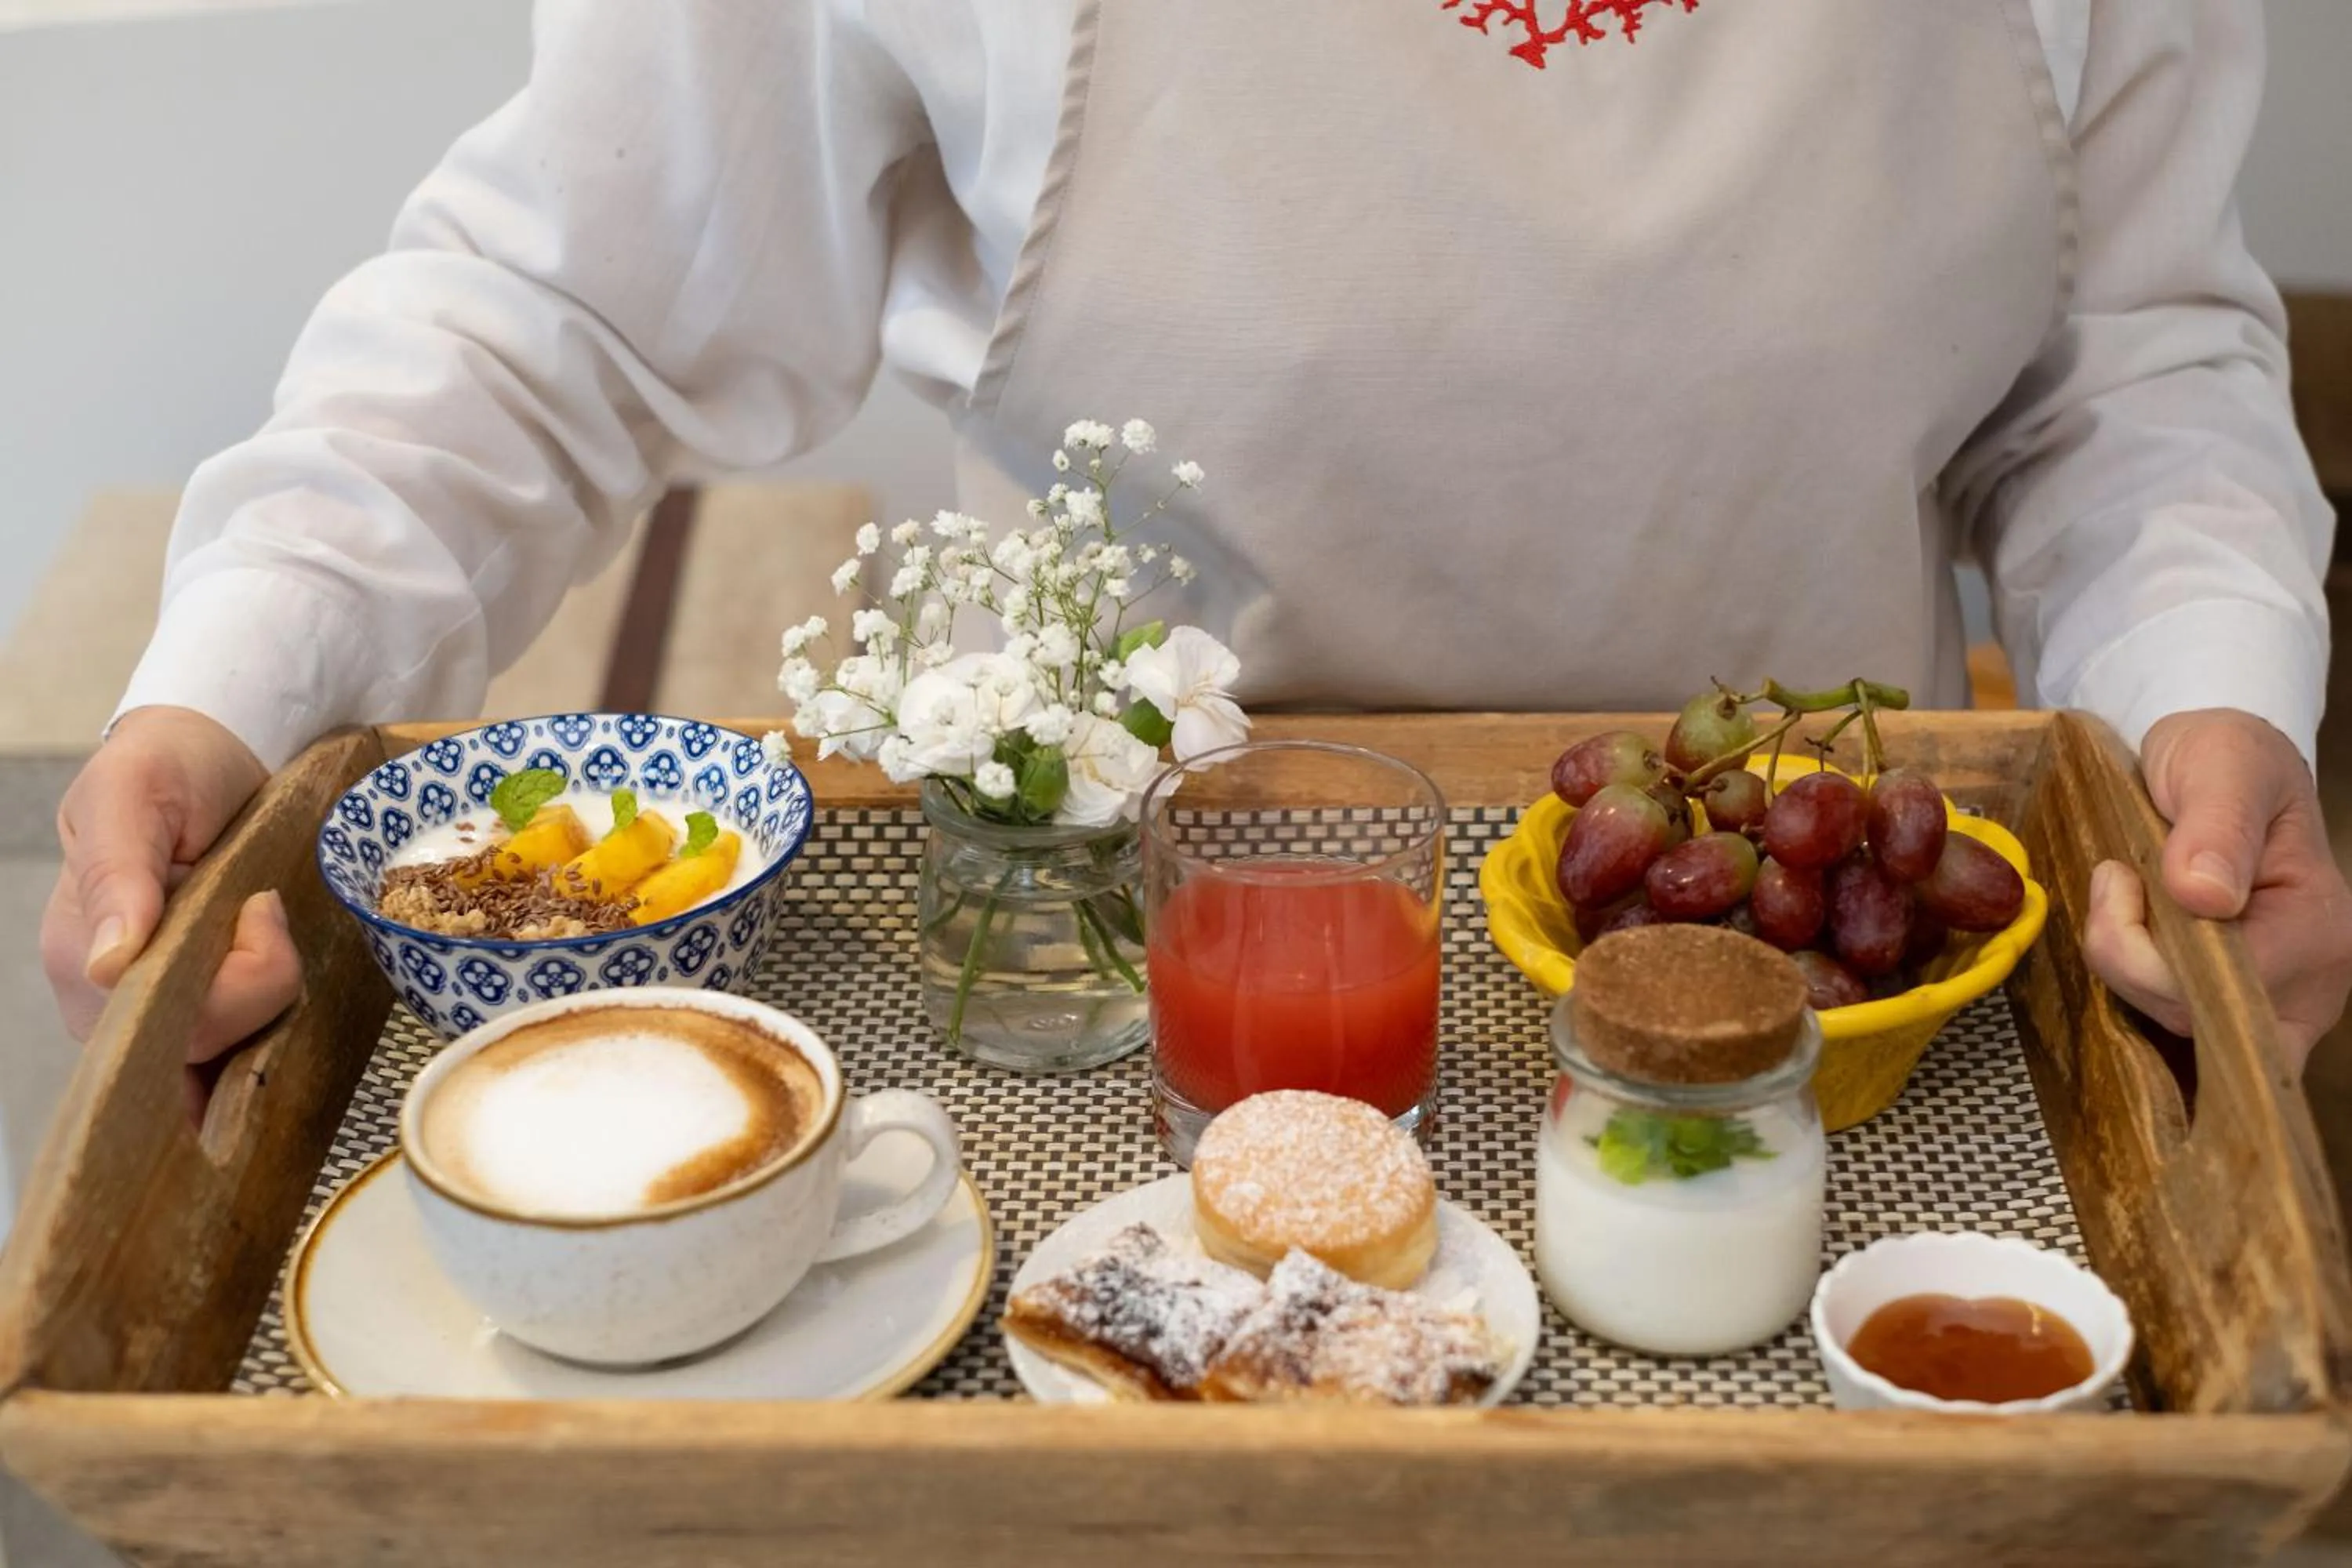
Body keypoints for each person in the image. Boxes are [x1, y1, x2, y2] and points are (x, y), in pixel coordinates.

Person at [41, 2, 2352, 1083]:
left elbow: (2122, 364)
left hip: (1810, 999)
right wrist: (240, 665)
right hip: (1089, 989)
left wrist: (2212, 694)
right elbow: (560, 310)